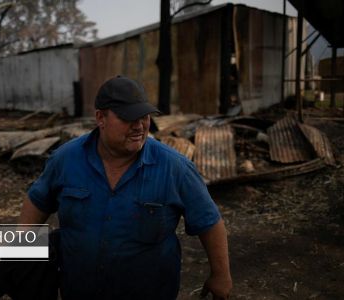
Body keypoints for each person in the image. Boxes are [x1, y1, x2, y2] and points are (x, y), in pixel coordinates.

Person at [19, 75, 232, 300]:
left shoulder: (174, 167)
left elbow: (209, 222)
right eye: (129, 118)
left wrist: (221, 275)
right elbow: (37, 201)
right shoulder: (65, 160)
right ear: (101, 118)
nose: (139, 126)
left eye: (145, 117)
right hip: (78, 289)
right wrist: (21, 253)